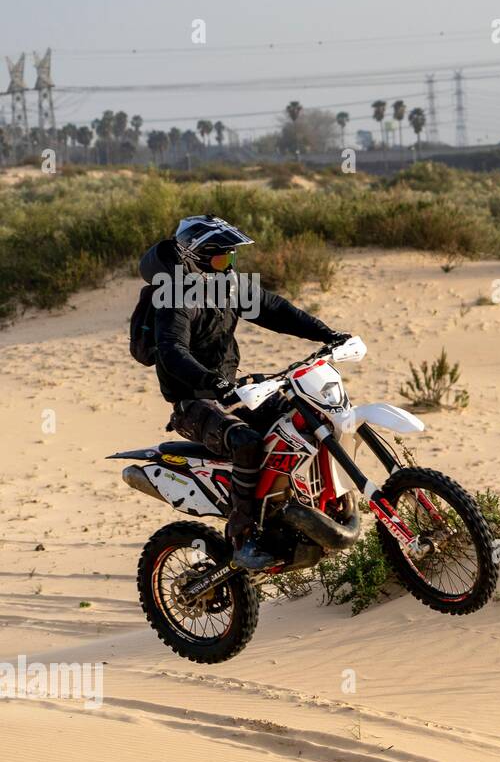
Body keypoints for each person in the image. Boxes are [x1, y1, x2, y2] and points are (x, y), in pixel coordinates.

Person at [137, 215, 350, 570]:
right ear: (196, 258)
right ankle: (244, 536)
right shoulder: (174, 295)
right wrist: (214, 383)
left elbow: (278, 311)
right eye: (222, 258)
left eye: (232, 258)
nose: (230, 265)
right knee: (247, 441)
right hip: (195, 402)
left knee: (305, 416)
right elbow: (173, 350)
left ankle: (308, 502)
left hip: (233, 390)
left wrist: (328, 334)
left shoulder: (228, 286)